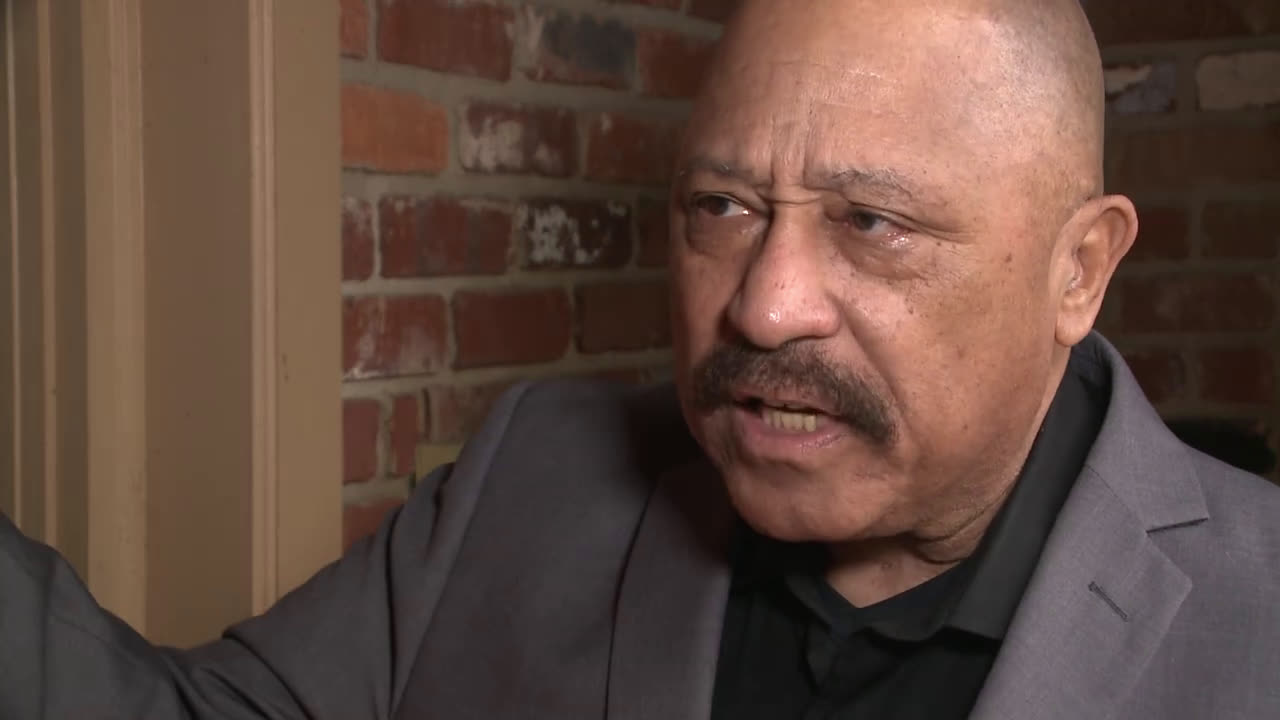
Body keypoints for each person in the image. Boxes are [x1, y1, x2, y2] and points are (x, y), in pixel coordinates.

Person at [3, 0, 1278, 717]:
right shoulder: (528, 481)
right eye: (721, 207)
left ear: (1077, 271)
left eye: (870, 223)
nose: (764, 308)